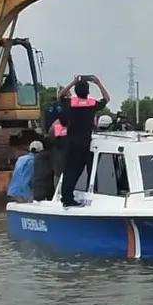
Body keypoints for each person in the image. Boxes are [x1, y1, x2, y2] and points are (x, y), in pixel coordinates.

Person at [56, 74, 110, 207]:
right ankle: (75, 196)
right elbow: (106, 99)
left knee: (69, 170)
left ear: (75, 91)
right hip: (85, 141)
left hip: (71, 140)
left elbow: (60, 96)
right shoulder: (91, 104)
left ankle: (66, 197)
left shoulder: (70, 103)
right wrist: (98, 82)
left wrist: (72, 82)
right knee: (82, 169)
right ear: (88, 92)